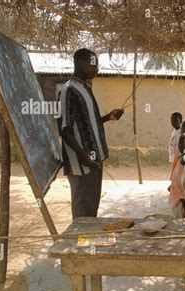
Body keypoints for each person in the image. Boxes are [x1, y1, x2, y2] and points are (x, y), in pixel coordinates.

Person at [58, 48, 124, 219]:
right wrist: (84, 157)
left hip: (95, 159)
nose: (96, 69)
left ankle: (88, 241)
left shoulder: (85, 88)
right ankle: (80, 240)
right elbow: (65, 129)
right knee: (82, 209)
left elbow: (87, 123)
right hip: (82, 164)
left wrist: (108, 117)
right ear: (80, 63)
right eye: (93, 64)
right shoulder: (68, 90)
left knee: (92, 207)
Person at [168, 136, 185, 218]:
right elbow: (175, 172)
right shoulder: (178, 155)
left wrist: (184, 197)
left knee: (182, 217)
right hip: (176, 195)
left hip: (182, 198)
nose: (181, 146)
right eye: (180, 143)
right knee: (177, 215)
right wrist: (172, 184)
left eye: (184, 144)